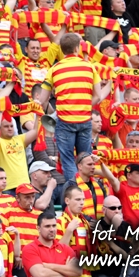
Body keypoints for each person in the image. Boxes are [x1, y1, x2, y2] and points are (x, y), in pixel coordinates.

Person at [43, 33, 103, 177]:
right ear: (77, 48)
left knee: (68, 160)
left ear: (61, 49)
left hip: (64, 121)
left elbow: (43, 99)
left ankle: (74, 187)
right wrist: (85, 106)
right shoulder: (89, 67)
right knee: (85, 158)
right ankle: (85, 188)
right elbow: (98, 96)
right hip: (84, 120)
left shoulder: (54, 69)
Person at [21, 211, 82, 277]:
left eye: (54, 226)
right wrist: (67, 270)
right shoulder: (29, 249)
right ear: (38, 228)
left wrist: (48, 266)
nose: (52, 229)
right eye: (47, 226)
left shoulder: (65, 248)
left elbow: (78, 271)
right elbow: (41, 275)